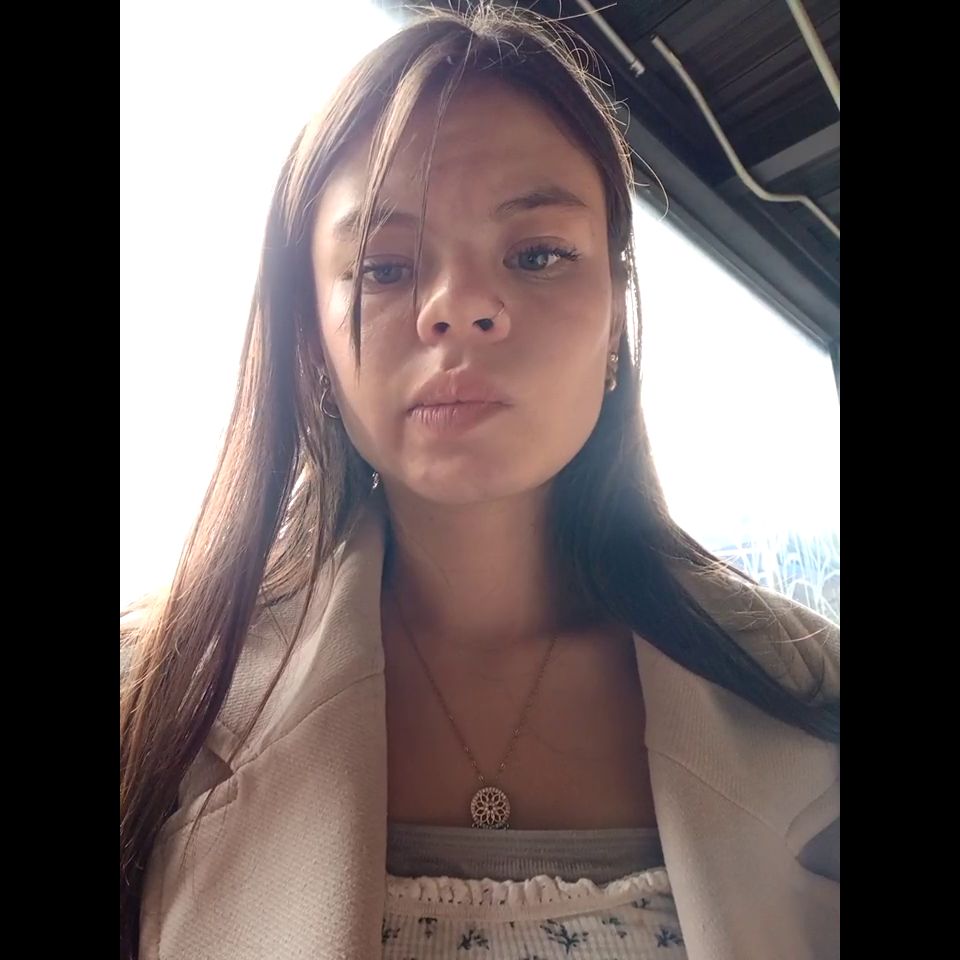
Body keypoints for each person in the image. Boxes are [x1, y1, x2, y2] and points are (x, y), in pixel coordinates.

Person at [120, 6, 839, 959]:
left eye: (538, 254)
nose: (459, 308)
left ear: (616, 316)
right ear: (311, 342)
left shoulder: (811, 692)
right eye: (383, 267)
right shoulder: (154, 705)